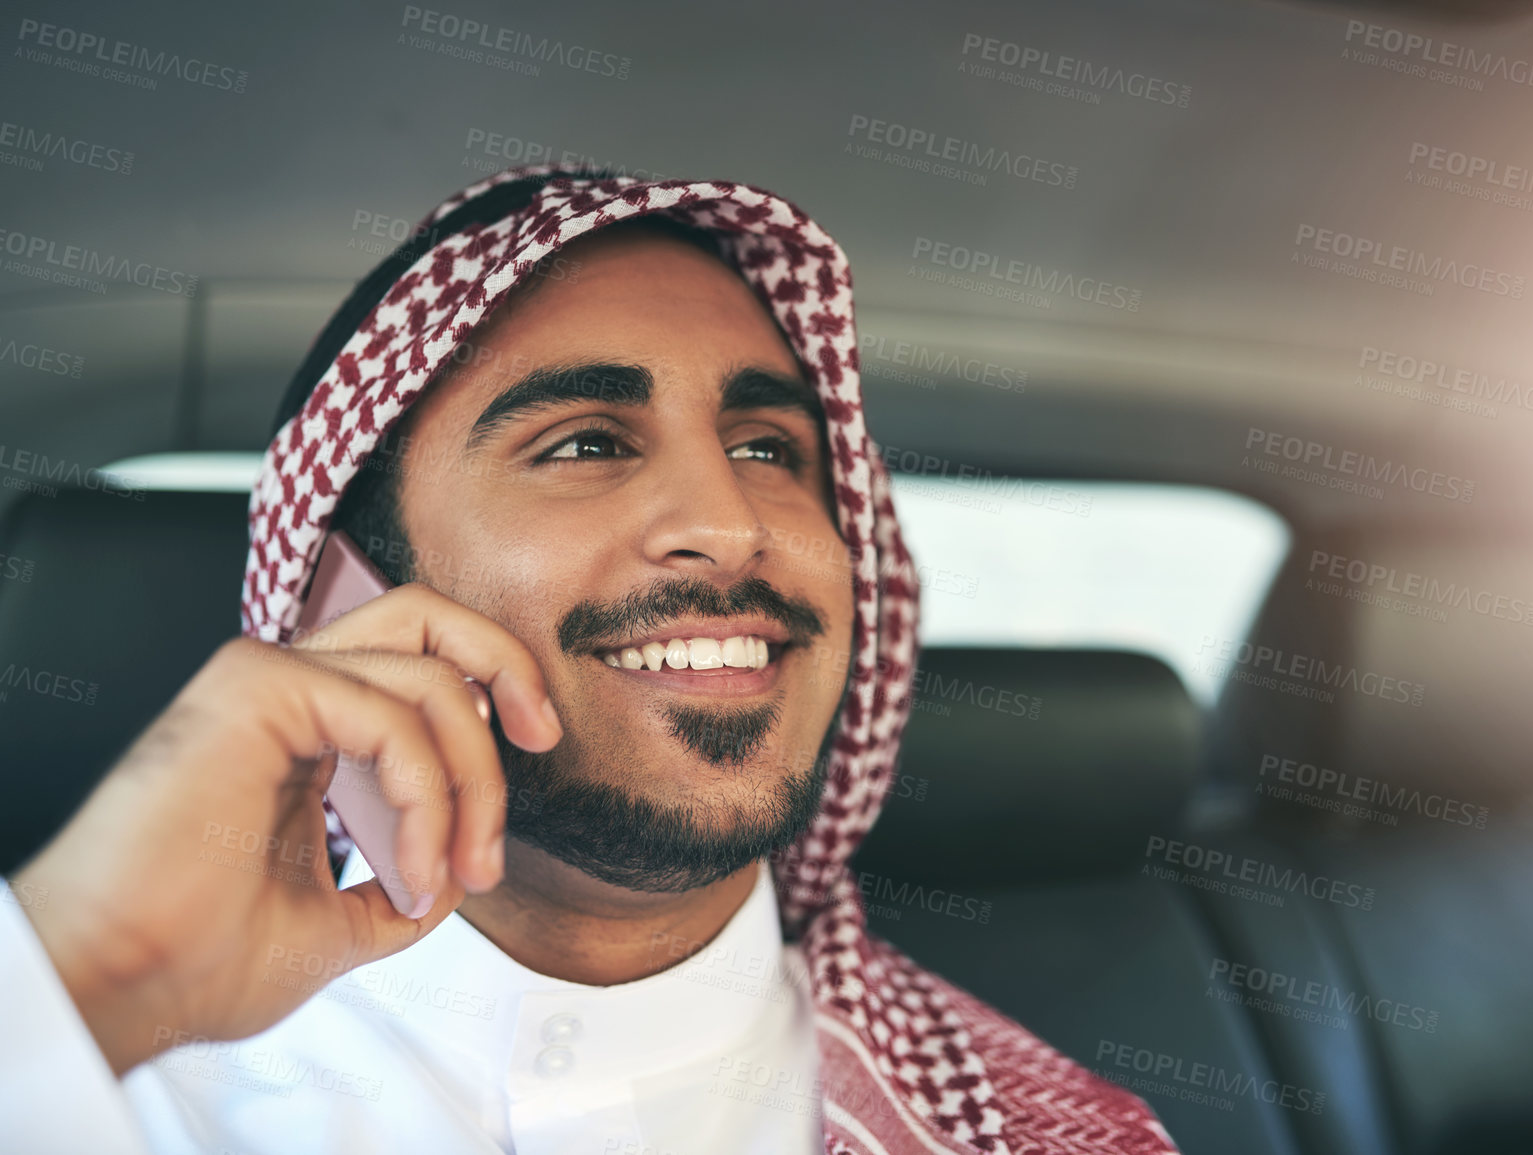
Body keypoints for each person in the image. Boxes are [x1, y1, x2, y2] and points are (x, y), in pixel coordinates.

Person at [0, 166, 1180, 1154]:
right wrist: (94, 974)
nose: (728, 522)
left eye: (771, 449)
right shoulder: (84, 1071)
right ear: (342, 597)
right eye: (585, 442)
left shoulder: (1054, 1132)